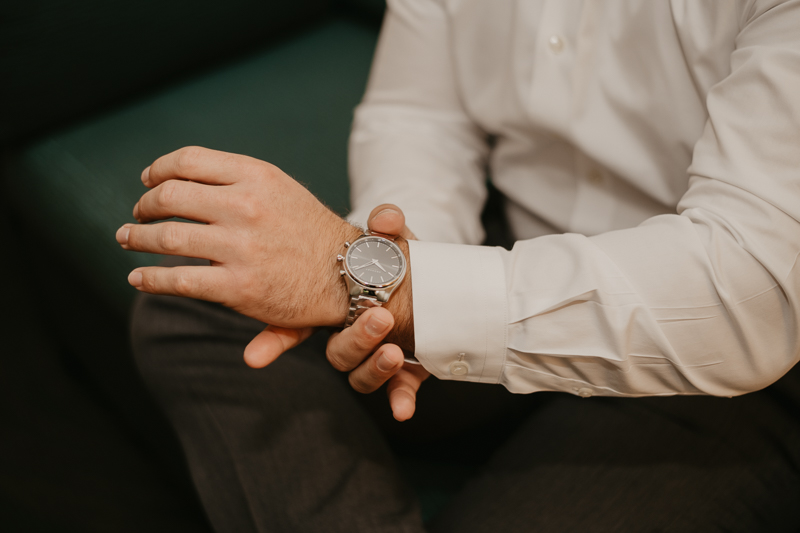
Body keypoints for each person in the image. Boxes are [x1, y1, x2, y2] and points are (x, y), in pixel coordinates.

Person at [119, 0, 800, 531]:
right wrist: (410, 269)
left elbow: (749, 283)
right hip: (506, 241)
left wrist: (402, 286)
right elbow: (420, 114)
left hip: (730, 357)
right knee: (202, 297)